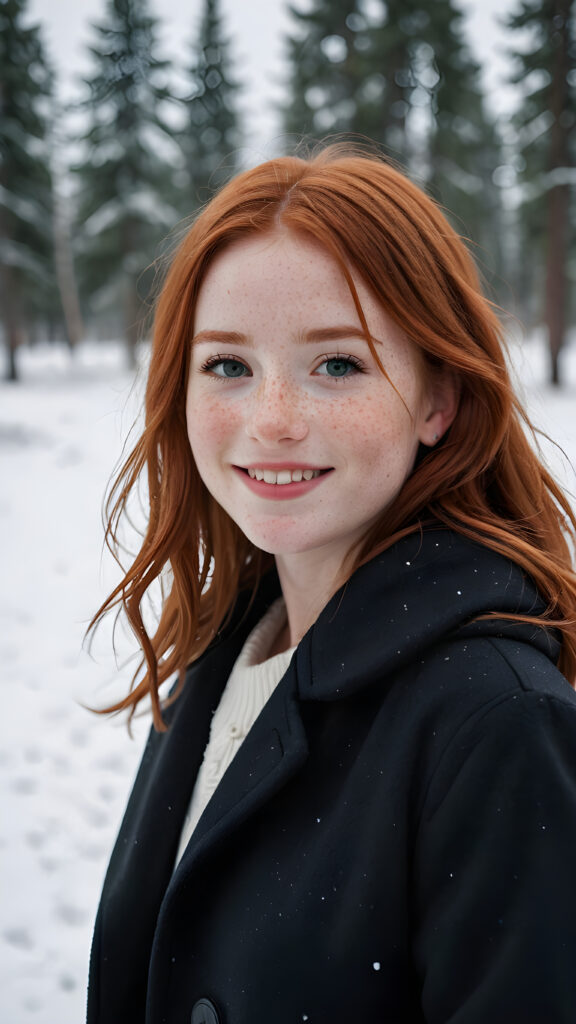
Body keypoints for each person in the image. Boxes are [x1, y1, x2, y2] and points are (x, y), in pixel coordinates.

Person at [86, 145, 576, 1024]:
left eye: (337, 364)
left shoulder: (497, 722)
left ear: (439, 400)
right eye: (228, 366)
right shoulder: (228, 643)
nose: (271, 420)